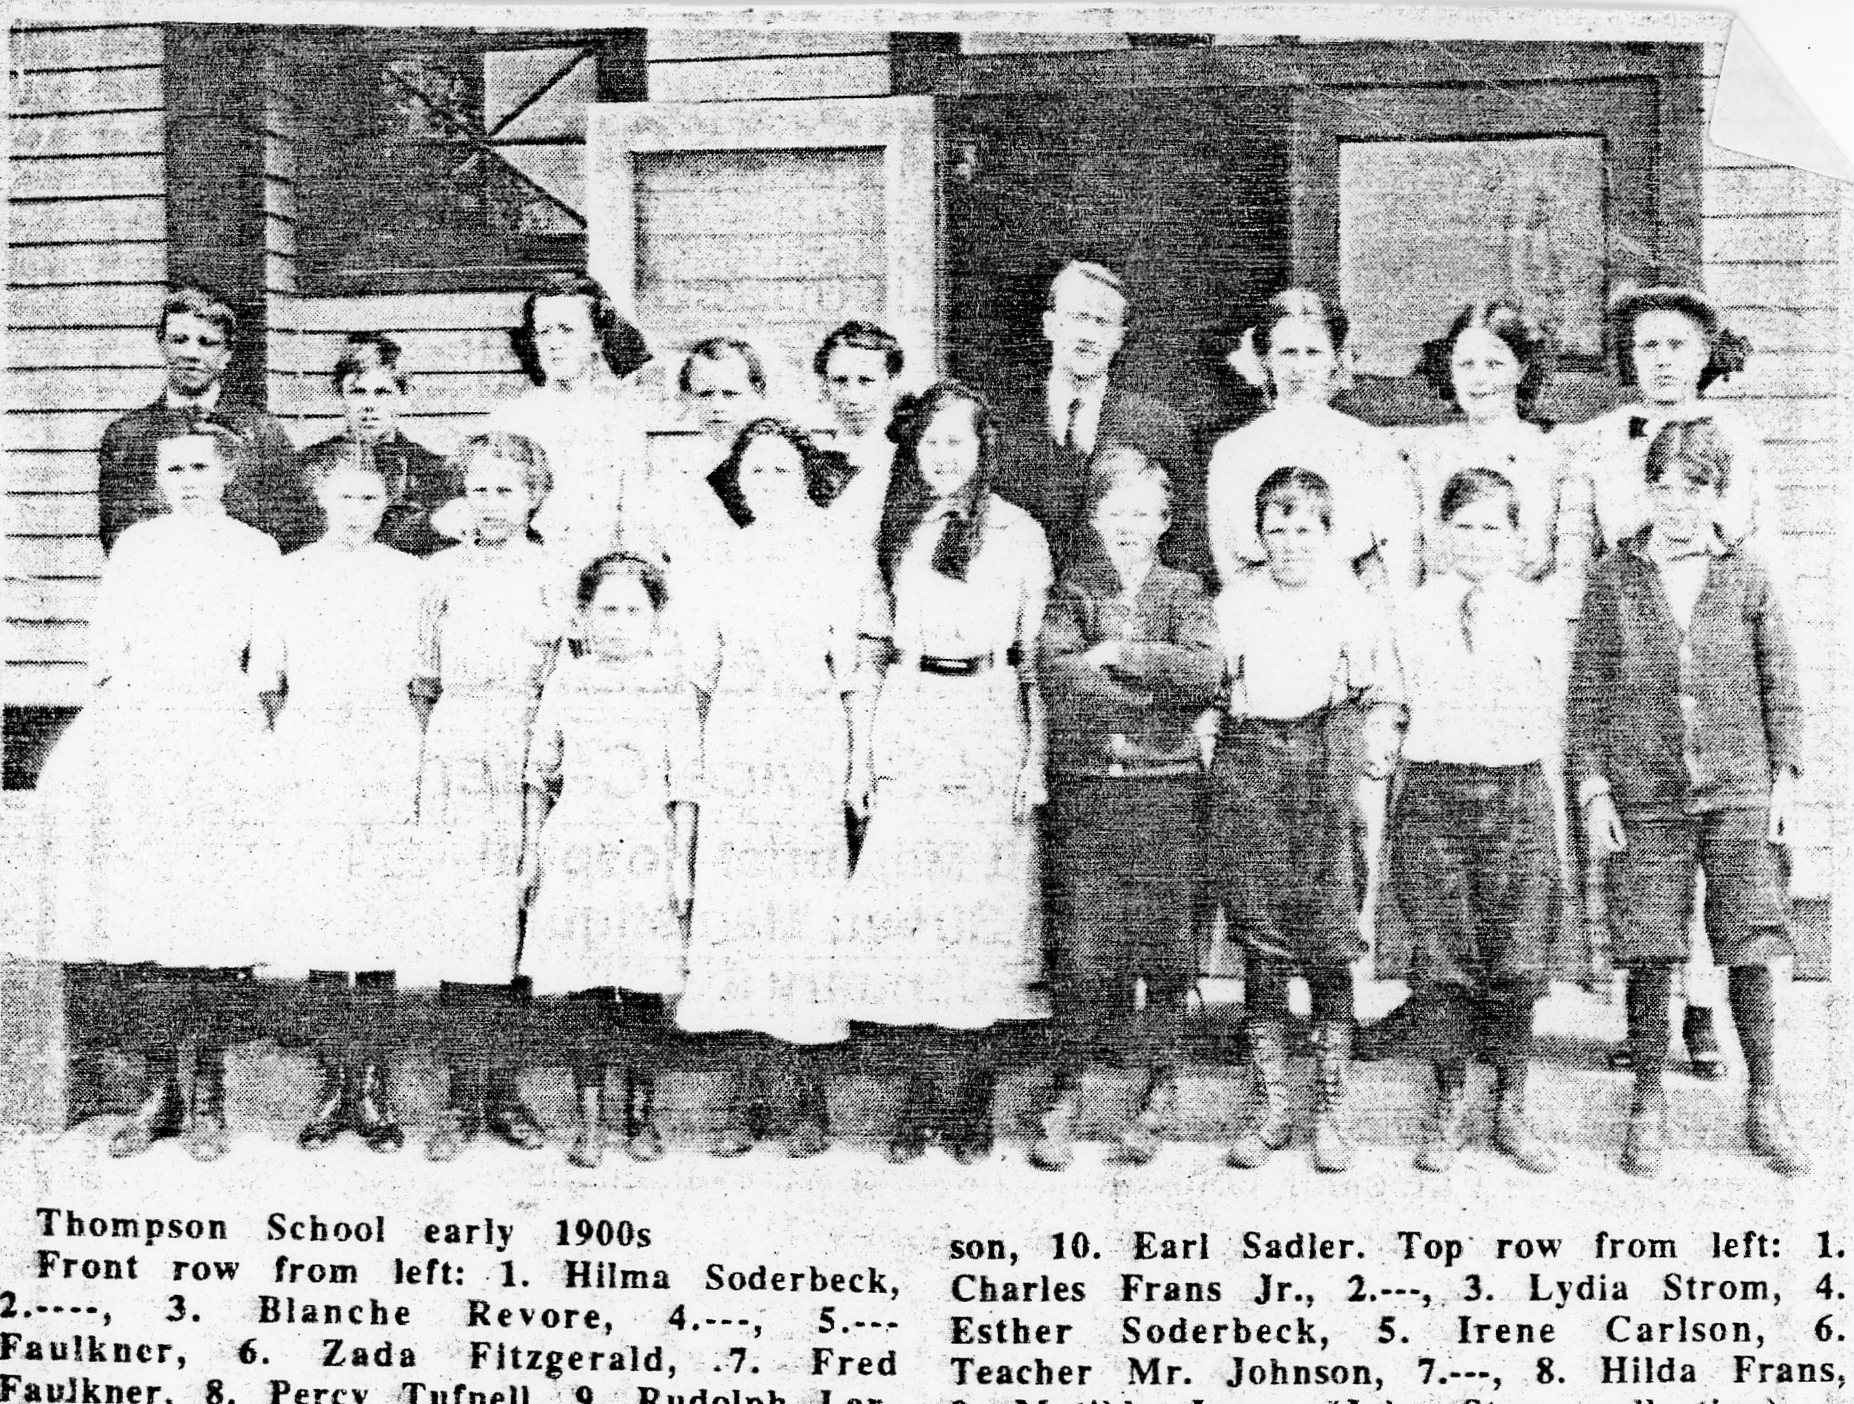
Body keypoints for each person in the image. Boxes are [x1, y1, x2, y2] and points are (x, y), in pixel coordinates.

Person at [1569, 419, 1808, 1179]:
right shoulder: (1613, 575)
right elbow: (1587, 691)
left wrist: (1785, 780)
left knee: (1750, 938)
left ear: (1717, 492)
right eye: (1663, 487)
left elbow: (1780, 683)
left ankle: (1764, 1098)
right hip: (1645, 792)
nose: (1676, 502)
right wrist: (1594, 788)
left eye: (1693, 488)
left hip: (1740, 788)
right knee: (1649, 943)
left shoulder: (1747, 574)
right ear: (1647, 491)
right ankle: (1647, 1099)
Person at [40, 428, 282, 1159]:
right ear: (158, 478)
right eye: (173, 468)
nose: (188, 479)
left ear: (227, 473)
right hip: (141, 725)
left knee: (207, 917)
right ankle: (157, 1094)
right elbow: (107, 646)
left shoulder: (255, 549)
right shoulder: (137, 546)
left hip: (218, 725)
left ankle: (208, 1097)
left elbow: (266, 658)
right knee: (142, 911)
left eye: (201, 466)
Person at [837, 382, 1053, 1164]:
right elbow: (871, 649)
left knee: (979, 915)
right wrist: (863, 759)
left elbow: (1034, 659)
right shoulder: (896, 527)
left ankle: (971, 1103)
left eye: (956, 441)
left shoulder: (1019, 532)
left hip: (989, 714)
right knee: (917, 918)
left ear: (983, 447)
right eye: (929, 442)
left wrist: (1035, 760)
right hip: (913, 712)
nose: (942, 456)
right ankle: (918, 1100)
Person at [1568, 284, 1766, 1081]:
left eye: (1677, 345)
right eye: (1647, 345)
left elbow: (1754, 561)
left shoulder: (1739, 440)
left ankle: (1704, 1012)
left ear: (1705, 354)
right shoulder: (1599, 440)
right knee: (1646, 867)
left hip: (1711, 661)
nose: (1661, 360)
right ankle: (1643, 1017)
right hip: (1629, 645)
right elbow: (1578, 553)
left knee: (1720, 863)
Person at [674, 419, 882, 1158]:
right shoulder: (718, 558)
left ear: (807, 477)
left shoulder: (841, 554)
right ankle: (744, 1095)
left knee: (804, 915)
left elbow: (857, 671)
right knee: (739, 915)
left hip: (808, 740)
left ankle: (805, 1100)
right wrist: (694, 767)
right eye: (755, 471)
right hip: (737, 740)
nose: (768, 484)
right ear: (738, 481)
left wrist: (859, 762)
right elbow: (696, 678)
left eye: (782, 470)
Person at [1028, 448, 1219, 1171]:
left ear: (1166, 520)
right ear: (1095, 519)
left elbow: (1202, 673)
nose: (1129, 526)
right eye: (1115, 513)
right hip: (1090, 787)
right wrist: (1145, 690)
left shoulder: (1186, 590)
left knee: (1165, 946)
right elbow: (1059, 675)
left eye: (1143, 513)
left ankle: (1156, 1092)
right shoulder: (1073, 590)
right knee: (1083, 948)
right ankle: (1068, 1092)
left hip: (1167, 789)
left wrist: (1117, 653)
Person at [1211, 467, 1402, 1174]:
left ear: (1327, 533)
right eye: (1277, 529)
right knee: (1262, 944)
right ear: (1259, 535)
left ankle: (1330, 1111)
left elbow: (1381, 696)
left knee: (1328, 943)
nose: (1290, 543)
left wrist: (1372, 747)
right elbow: (1215, 693)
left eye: (1304, 530)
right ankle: (1270, 1109)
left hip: (1327, 760)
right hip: (1254, 764)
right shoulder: (1237, 600)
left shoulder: (1353, 601)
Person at [1388, 468, 1563, 1174]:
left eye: (1493, 527)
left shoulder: (1539, 610)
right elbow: (1392, 702)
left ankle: (1511, 1103)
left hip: (1517, 790)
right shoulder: (1411, 608)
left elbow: (1557, 709)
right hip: (1434, 791)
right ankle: (1449, 1099)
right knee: (1442, 952)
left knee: (1518, 954)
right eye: (1463, 526)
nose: (1476, 540)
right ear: (1439, 533)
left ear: (1516, 538)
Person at [409, 433, 564, 1161]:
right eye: (480, 489)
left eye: (508, 490)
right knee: (463, 919)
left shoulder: (556, 574)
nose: (492, 503)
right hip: (458, 750)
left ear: (535, 496)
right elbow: (422, 680)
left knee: (519, 919)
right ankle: (459, 1098)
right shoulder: (440, 574)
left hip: (530, 751)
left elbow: (568, 677)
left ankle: (505, 1093)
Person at [267, 449, 427, 1153]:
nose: (356, 511)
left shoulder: (411, 576)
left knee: (380, 921)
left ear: (388, 503)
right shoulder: (290, 573)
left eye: (370, 498)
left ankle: (375, 1089)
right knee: (327, 923)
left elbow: (424, 680)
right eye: (344, 497)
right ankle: (334, 1087)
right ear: (320, 499)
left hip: (388, 750)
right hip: (315, 752)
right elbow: (271, 681)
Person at [520, 554, 699, 1168]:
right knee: (587, 988)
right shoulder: (566, 681)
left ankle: (641, 1113)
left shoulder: (672, 684)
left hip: (645, 844)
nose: (619, 623)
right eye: (607, 609)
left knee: (643, 986)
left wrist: (680, 866)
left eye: (633, 611)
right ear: (583, 616)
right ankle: (589, 1118)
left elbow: (685, 785)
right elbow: (540, 774)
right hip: (578, 845)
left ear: (656, 619)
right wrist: (531, 856)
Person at [994, 261, 1204, 580]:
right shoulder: (1003, 423)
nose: (1088, 336)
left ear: (1119, 338)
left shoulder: (1159, 427)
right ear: (1050, 325)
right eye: (1078, 317)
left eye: (1102, 322)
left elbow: (1185, 548)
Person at [1205, 288, 1419, 593]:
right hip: (1262, 604)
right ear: (1266, 358)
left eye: (1313, 352)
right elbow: (1228, 560)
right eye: (1288, 352)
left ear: (1335, 358)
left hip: (1352, 601)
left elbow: (1399, 557)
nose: (1300, 368)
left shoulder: (1371, 447)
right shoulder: (1234, 452)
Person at [98, 285, 314, 554]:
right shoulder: (127, 436)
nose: (191, 353)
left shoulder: (261, 433)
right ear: (161, 344)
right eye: (179, 340)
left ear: (227, 353)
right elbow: (117, 535)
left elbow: (294, 528)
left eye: (207, 342)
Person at [484, 273, 657, 582]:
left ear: (596, 339)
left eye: (567, 330)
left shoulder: (620, 422)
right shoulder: (508, 421)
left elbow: (636, 520)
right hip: (522, 576)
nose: (554, 343)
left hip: (596, 577)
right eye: (544, 332)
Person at [295, 332, 460, 558]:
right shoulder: (308, 466)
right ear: (340, 394)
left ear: (402, 396)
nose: (369, 405)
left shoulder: (432, 472)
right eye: (358, 392)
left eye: (382, 392)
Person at [814, 319, 905, 552]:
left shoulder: (908, 457)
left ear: (891, 383)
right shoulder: (809, 456)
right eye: (840, 381)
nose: (852, 396)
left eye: (866, 381)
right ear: (824, 385)